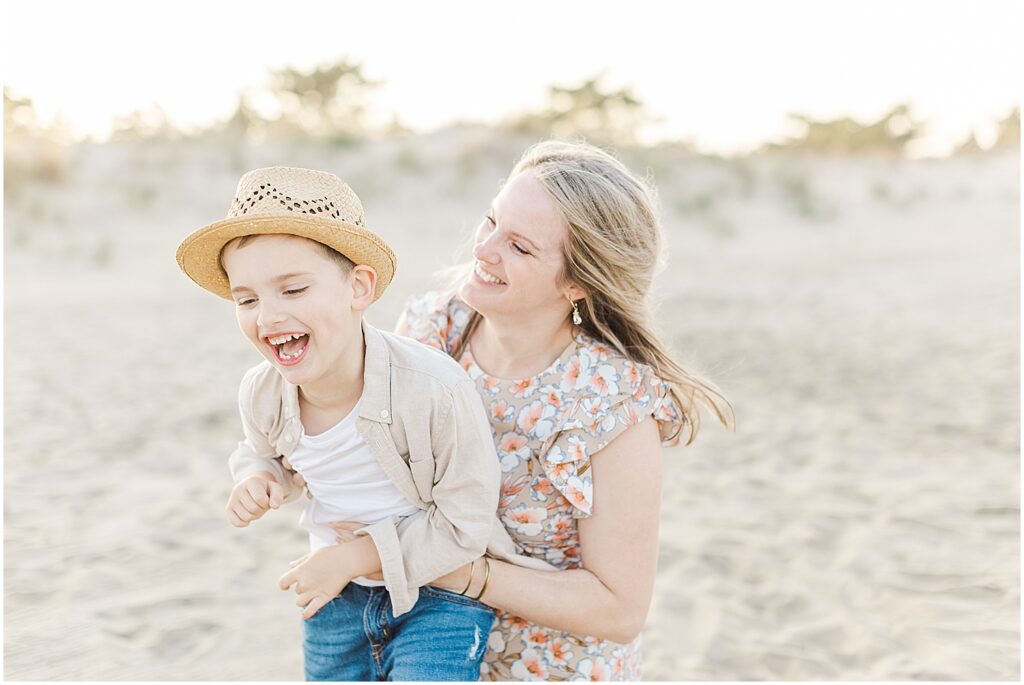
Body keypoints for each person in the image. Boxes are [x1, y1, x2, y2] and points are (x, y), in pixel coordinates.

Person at [361, 140, 734, 680]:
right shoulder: (429, 332)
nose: (484, 248)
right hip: (414, 651)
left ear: (577, 282)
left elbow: (620, 608)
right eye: (491, 221)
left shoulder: (612, 402)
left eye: (520, 246)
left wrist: (465, 575)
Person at [174, 166, 551, 682]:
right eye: (247, 299)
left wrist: (355, 556)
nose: (267, 316)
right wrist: (258, 477)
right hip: (335, 599)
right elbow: (263, 451)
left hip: (439, 594)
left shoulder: (434, 390)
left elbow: (465, 522)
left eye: (293, 289)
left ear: (358, 287)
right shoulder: (262, 393)